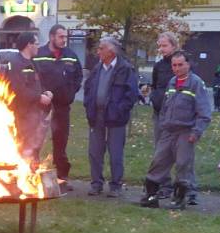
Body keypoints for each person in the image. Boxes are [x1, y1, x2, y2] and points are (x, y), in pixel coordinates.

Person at [141, 51, 211, 210]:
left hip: (186, 131)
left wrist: (196, 132)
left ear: (188, 64)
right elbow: (165, 106)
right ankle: (151, 195)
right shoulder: (172, 82)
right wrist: (164, 123)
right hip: (168, 131)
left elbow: (204, 112)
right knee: (158, 161)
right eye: (174, 65)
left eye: (180, 65)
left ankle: (180, 198)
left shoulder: (196, 83)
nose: (177, 68)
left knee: (182, 165)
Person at [83, 37, 139, 198]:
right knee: (94, 152)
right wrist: (89, 106)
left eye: (101, 48)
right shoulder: (97, 68)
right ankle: (96, 184)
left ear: (111, 51)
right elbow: (88, 88)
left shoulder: (125, 69)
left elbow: (131, 94)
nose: (98, 51)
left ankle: (115, 185)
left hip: (116, 118)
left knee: (115, 153)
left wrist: (119, 111)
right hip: (97, 116)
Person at [33, 24, 82, 192]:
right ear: (52, 36)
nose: (64, 40)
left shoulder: (71, 56)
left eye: (65, 37)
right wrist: (40, 95)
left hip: (62, 106)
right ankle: (31, 174)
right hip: (41, 106)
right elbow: (32, 77)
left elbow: (78, 77)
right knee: (36, 140)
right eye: (61, 37)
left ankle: (62, 178)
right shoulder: (39, 55)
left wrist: (70, 93)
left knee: (60, 142)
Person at [7, 32, 53, 163]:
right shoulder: (16, 63)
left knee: (34, 148)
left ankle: (32, 178)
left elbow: (36, 83)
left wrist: (46, 92)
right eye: (37, 43)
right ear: (29, 45)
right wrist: (39, 97)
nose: (38, 47)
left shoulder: (32, 62)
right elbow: (18, 89)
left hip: (35, 115)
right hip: (22, 116)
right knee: (23, 148)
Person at [149, 31, 179, 198]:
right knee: (160, 151)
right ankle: (164, 185)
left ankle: (183, 187)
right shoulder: (158, 66)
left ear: (174, 46)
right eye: (159, 46)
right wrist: (154, 97)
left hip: (177, 116)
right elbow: (155, 86)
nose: (161, 49)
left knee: (179, 152)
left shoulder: (181, 64)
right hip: (159, 113)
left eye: (165, 45)